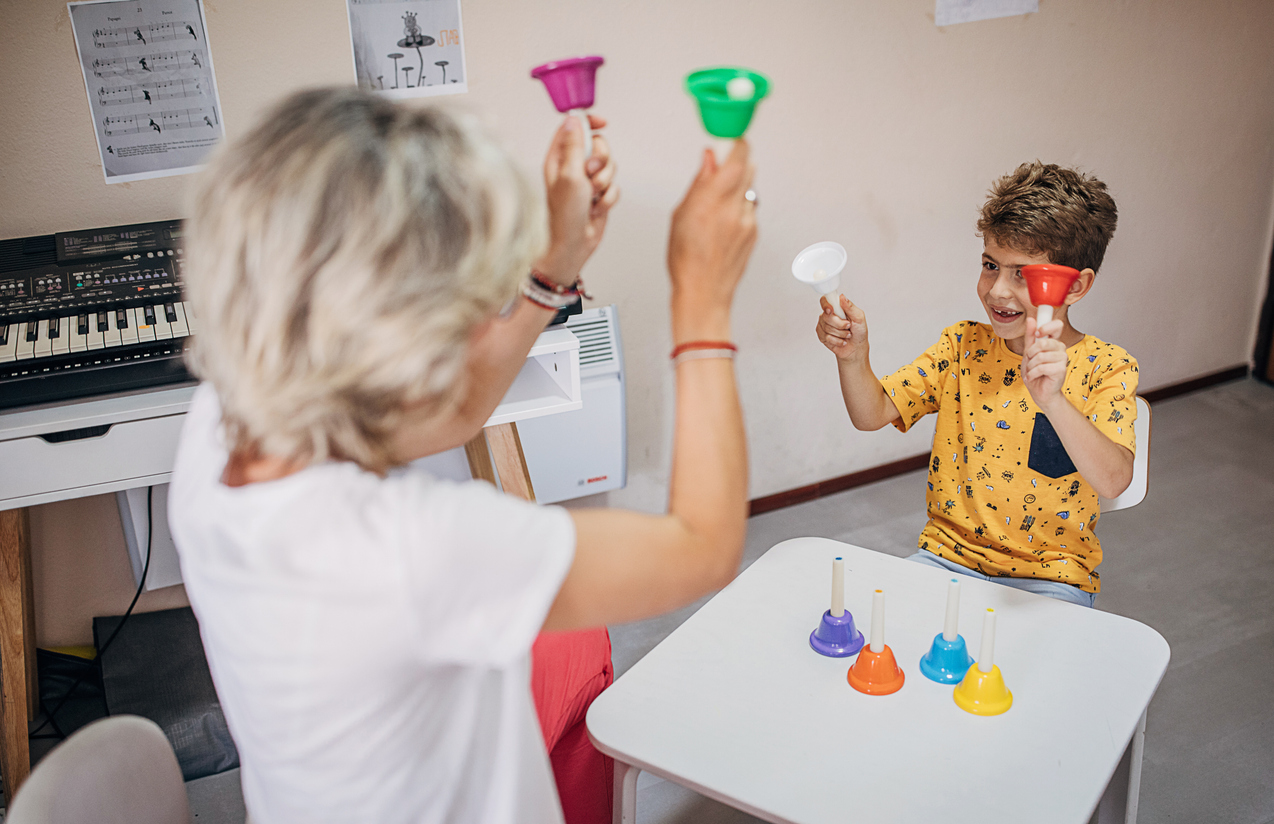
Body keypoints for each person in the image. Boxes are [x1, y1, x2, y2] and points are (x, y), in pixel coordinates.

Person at [168, 86, 757, 824]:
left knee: (572, 648)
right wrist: (701, 298)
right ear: (403, 346)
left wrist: (552, 270)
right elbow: (702, 548)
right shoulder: (409, 549)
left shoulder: (224, 416)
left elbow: (454, 416)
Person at [815, 161, 1136, 607]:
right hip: (945, 559)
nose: (997, 290)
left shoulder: (1108, 367)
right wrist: (853, 357)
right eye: (990, 265)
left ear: (1076, 286)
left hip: (1052, 578)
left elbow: (1115, 480)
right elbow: (871, 415)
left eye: (1023, 273)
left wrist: (1055, 402)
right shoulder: (962, 345)